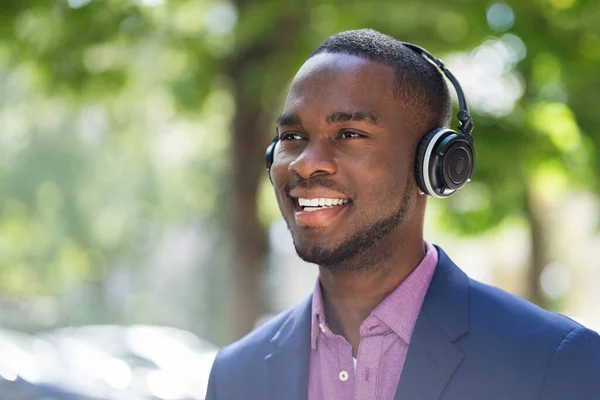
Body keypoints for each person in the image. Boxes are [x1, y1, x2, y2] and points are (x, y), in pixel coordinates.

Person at [206, 29, 600, 400]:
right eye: (293, 138)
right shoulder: (236, 375)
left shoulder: (553, 361)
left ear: (433, 164)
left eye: (349, 134)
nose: (307, 164)